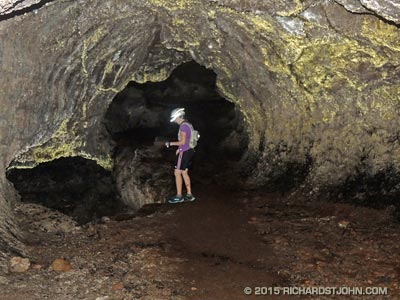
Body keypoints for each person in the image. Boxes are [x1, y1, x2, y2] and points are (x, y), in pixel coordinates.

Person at [165, 108, 196, 203]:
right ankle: (189, 195)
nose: (174, 121)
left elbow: (182, 141)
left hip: (185, 152)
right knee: (184, 172)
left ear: (178, 116)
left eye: (175, 119)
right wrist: (179, 149)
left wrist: (170, 144)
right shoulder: (188, 125)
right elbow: (187, 140)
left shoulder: (183, 126)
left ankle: (179, 196)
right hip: (190, 151)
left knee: (177, 172)